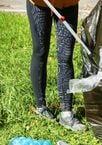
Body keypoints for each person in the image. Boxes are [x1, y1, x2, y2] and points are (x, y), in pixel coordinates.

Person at [26, 0, 85, 131]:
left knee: (65, 55)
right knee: (40, 51)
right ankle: (41, 107)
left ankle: (66, 113)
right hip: (39, 4)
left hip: (68, 3)